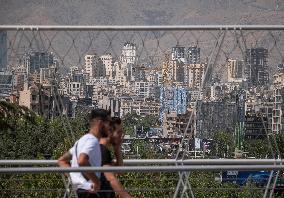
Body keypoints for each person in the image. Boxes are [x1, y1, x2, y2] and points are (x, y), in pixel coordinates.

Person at [58, 109, 111, 198]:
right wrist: (96, 182)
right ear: (100, 123)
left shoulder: (81, 141)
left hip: (80, 191)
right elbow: (82, 161)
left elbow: (61, 160)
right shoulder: (92, 141)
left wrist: (74, 178)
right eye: (108, 123)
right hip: (89, 192)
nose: (110, 128)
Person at [98, 117, 131, 198]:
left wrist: (117, 149)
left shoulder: (103, 149)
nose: (122, 135)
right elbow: (111, 178)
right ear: (109, 132)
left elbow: (120, 171)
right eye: (119, 132)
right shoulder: (101, 151)